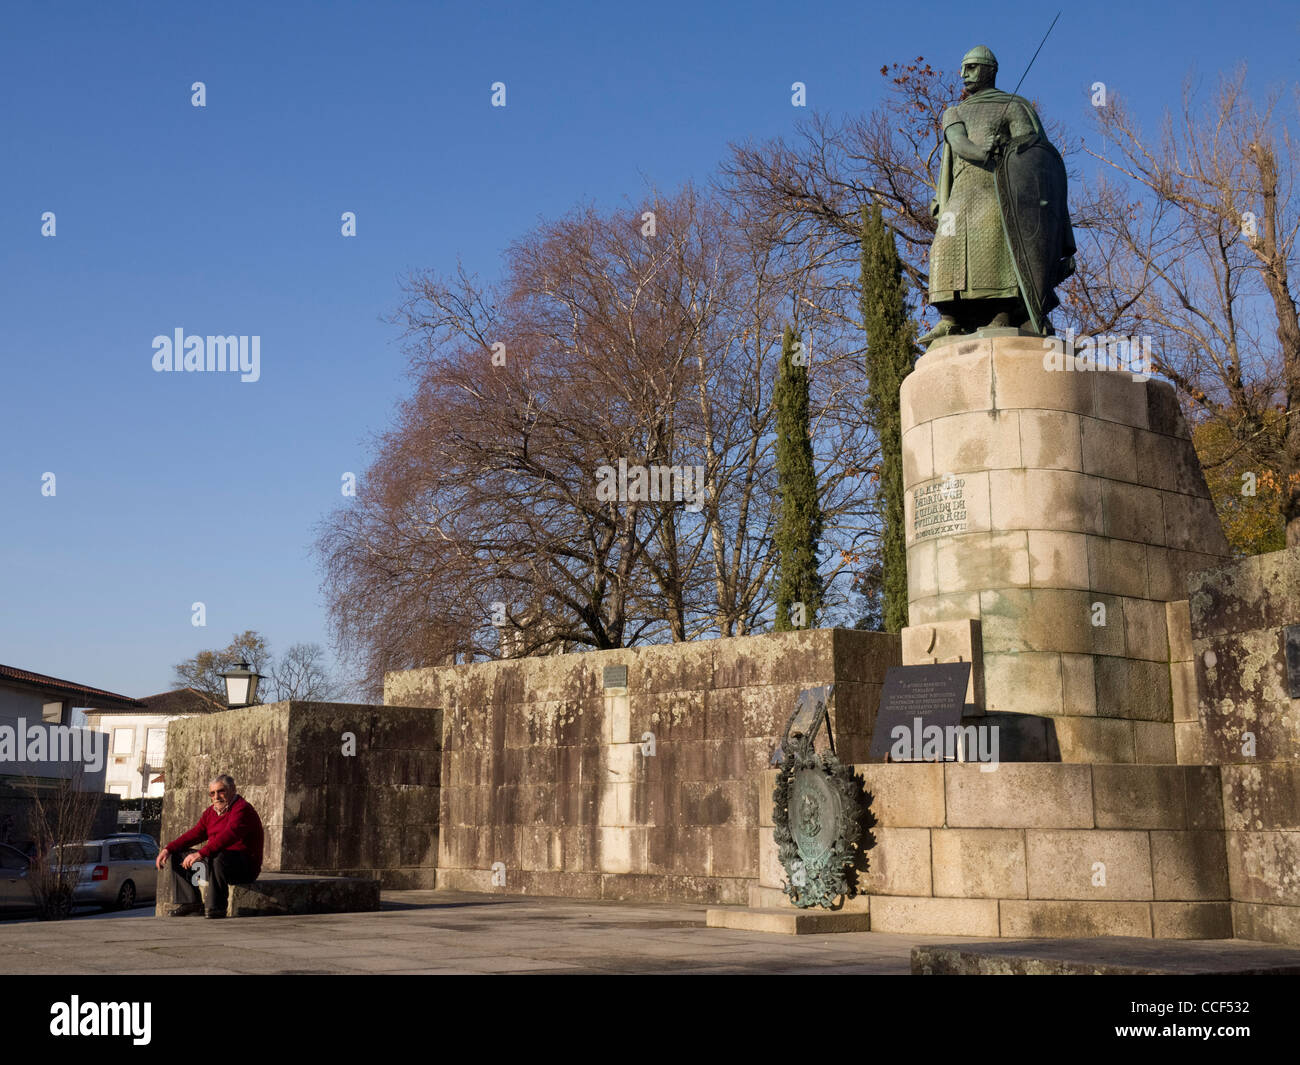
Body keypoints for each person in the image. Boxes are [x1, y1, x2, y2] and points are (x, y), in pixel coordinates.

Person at [920, 45, 1075, 346]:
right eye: (963, 68)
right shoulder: (954, 112)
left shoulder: (1015, 106)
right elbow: (958, 142)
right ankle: (949, 319)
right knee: (944, 246)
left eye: (972, 67)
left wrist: (1004, 150)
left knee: (997, 247)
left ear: (990, 70)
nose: (964, 74)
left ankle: (1003, 312)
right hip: (963, 191)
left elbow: (1030, 152)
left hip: (999, 188)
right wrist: (981, 151)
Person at [157, 773, 263, 918]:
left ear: (233, 789)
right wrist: (168, 848)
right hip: (218, 862)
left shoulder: (242, 809)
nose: (216, 797)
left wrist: (201, 853)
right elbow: (195, 833)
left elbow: (230, 835)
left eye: (221, 791)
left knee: (218, 856)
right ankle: (192, 904)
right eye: (212, 793)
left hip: (243, 867)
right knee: (178, 855)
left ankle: (216, 908)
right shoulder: (210, 813)